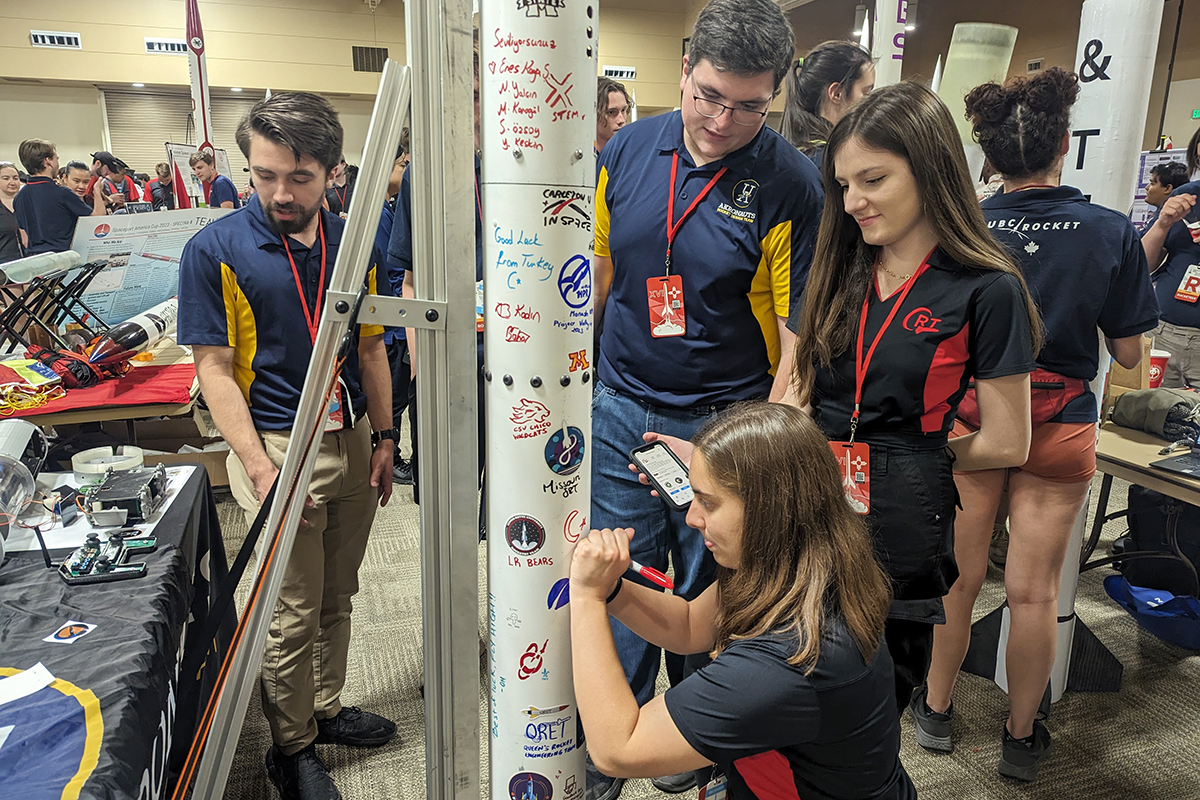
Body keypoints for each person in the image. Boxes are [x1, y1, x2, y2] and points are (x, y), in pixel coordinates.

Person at [590, 0, 823, 796]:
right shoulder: (625, 148)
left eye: (751, 105)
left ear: (776, 98)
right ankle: (609, 741)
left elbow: (797, 336)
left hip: (721, 422)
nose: (726, 120)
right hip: (620, 401)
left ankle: (689, 743)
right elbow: (600, 279)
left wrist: (772, 444)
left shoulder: (790, 182)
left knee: (709, 595)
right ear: (684, 71)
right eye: (711, 95)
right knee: (621, 573)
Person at [917, 68, 1159, 782]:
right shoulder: (1110, 231)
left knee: (956, 580)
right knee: (1032, 592)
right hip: (1059, 426)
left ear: (989, 156)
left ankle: (933, 712)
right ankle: (1020, 738)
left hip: (971, 425)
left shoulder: (959, 227)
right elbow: (1127, 354)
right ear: (1063, 144)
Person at [787, 81, 1042, 718]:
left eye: (873, 180)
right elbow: (792, 394)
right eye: (844, 185)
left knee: (873, 700)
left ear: (929, 167)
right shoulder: (837, 268)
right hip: (812, 501)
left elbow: (1009, 441)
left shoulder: (988, 289)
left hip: (903, 521)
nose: (854, 203)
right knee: (791, 679)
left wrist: (914, 461)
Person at [177, 91, 397, 800]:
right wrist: (258, 466)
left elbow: (370, 349)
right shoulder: (213, 250)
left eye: (298, 178)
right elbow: (214, 370)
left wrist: (387, 436)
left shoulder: (356, 237)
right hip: (274, 446)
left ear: (332, 173)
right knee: (293, 607)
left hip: (353, 435)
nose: (279, 192)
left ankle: (324, 710)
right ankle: (290, 745)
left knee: (341, 590)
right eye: (264, 174)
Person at [572, 403, 916, 800]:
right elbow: (688, 625)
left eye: (708, 501)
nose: (691, 518)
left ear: (767, 509)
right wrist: (612, 590)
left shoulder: (786, 663)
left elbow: (619, 748)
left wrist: (587, 596)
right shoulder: (800, 561)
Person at [1141, 158, 1200, 387]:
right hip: (1163, 333)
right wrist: (1162, 224)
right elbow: (1143, 265)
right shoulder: (1186, 197)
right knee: (1146, 412)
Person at [779, 40, 874, 168]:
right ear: (836, 93)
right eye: (866, 92)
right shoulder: (830, 161)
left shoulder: (792, 152)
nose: (871, 101)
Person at [14, 139, 106, 255]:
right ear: (48, 162)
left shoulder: (19, 197)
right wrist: (97, 191)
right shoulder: (62, 194)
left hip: (35, 261)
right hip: (63, 260)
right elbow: (99, 220)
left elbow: (25, 239)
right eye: (56, 158)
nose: (58, 162)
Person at [595, 77, 631, 155]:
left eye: (623, 110)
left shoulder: (630, 154)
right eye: (611, 112)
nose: (621, 120)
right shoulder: (583, 158)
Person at [0, 161, 26, 265]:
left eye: (15, 178)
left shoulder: (26, 204)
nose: (12, 182)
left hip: (29, 266)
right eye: (6, 178)